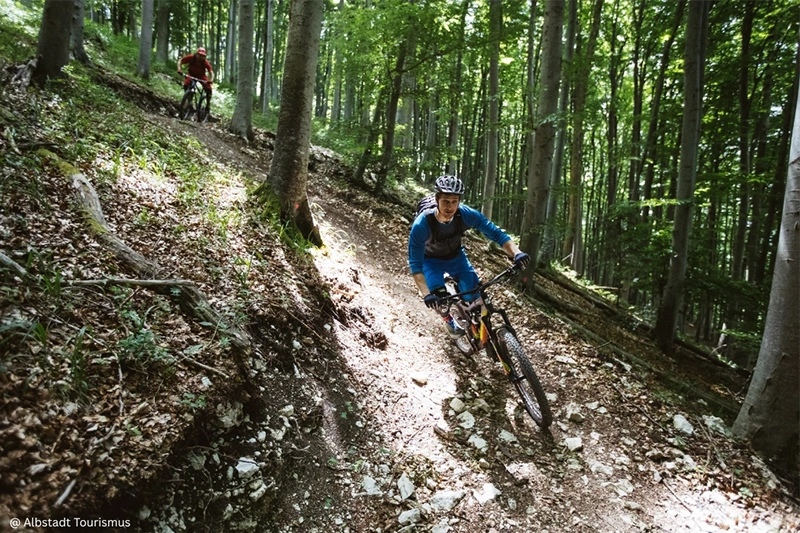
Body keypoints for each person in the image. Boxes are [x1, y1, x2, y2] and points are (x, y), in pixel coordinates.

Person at [408, 174, 530, 337]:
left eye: (454, 201)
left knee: (472, 294)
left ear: (459, 201)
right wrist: (426, 294)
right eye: (445, 201)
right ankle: (448, 320)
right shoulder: (422, 224)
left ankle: (477, 326)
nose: (449, 207)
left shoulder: (466, 214)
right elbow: (415, 263)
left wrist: (517, 253)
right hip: (430, 261)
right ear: (437, 199)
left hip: (456, 257)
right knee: (440, 300)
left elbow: (496, 233)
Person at [177, 47, 215, 113]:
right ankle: (189, 101)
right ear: (197, 54)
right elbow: (180, 61)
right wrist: (179, 69)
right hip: (191, 74)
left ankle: (208, 104)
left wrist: (211, 80)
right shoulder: (191, 57)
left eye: (203, 56)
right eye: (200, 55)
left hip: (201, 76)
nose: (201, 57)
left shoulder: (205, 62)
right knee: (186, 84)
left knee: (208, 88)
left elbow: (211, 72)